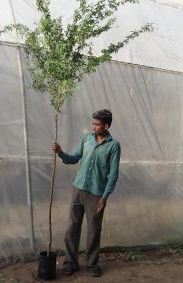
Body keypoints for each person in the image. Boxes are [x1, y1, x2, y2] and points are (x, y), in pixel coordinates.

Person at [52, 109, 121, 277]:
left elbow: (113, 174)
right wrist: (60, 152)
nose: (94, 127)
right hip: (78, 189)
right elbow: (74, 158)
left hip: (96, 195)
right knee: (72, 228)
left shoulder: (114, 146)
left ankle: (92, 264)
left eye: (97, 124)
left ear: (106, 125)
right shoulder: (87, 139)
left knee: (94, 230)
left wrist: (105, 197)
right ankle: (70, 263)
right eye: (93, 123)